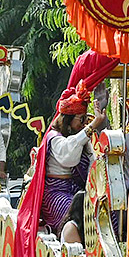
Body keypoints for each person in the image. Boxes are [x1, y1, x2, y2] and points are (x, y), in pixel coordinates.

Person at [42, 81, 107, 235]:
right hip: (55, 193)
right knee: (78, 215)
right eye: (81, 119)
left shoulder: (80, 139)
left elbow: (93, 162)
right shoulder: (54, 137)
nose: (84, 123)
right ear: (67, 120)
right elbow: (69, 157)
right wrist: (92, 126)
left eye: (86, 119)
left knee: (104, 212)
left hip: (76, 190)